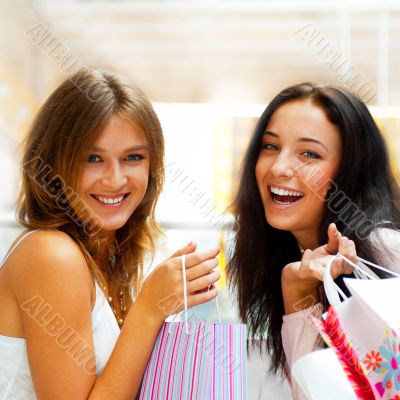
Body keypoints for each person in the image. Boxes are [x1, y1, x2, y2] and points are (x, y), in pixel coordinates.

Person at [0, 68, 221, 399]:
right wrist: (149, 308)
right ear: (55, 164)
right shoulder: (52, 254)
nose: (115, 179)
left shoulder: (103, 254)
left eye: (133, 157)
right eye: (93, 158)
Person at [227, 82, 400, 399]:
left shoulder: (386, 251)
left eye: (309, 154)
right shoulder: (293, 264)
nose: (279, 168)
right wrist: (297, 292)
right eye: (270, 147)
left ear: (351, 170)